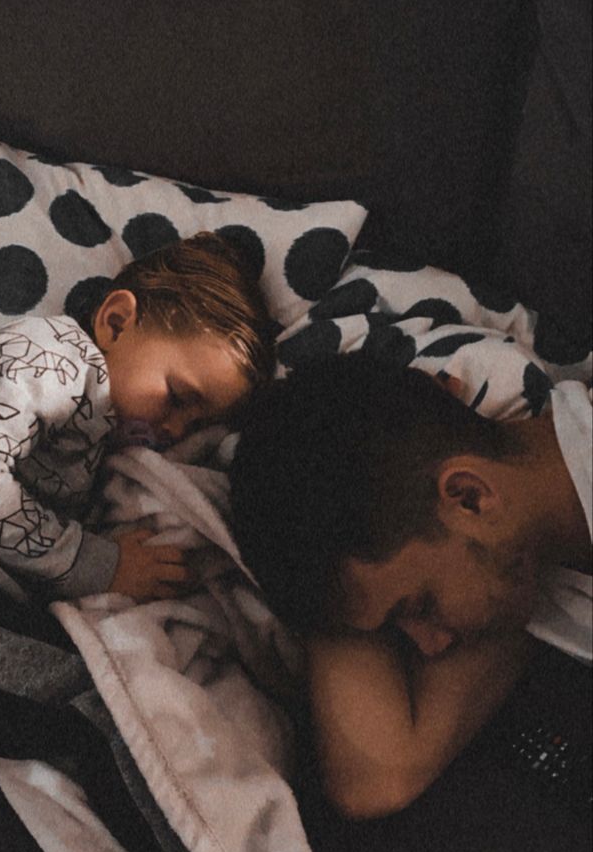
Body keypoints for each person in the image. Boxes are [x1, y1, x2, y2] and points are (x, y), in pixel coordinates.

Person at [229, 349, 591, 818]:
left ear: (470, 498)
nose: (432, 647)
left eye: (418, 606)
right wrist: (320, 589)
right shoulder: (527, 561)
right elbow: (377, 776)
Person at [0, 232, 274, 605]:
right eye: (179, 397)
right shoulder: (47, 356)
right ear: (115, 323)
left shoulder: (102, 426)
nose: (178, 430)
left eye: (199, 425)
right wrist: (99, 563)